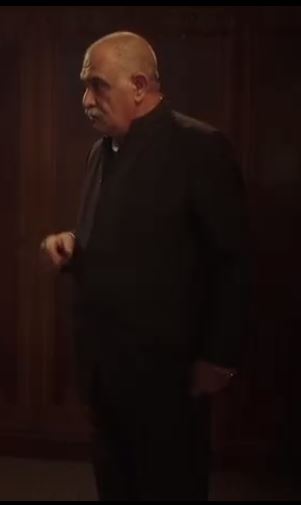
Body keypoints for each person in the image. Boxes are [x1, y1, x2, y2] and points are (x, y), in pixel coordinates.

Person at [41, 32, 249, 500]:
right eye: (84, 87)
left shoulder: (199, 147)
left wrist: (219, 356)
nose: (86, 101)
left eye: (97, 85)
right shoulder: (101, 152)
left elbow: (231, 261)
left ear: (138, 86)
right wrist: (73, 246)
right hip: (105, 372)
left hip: (167, 376)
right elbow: (121, 240)